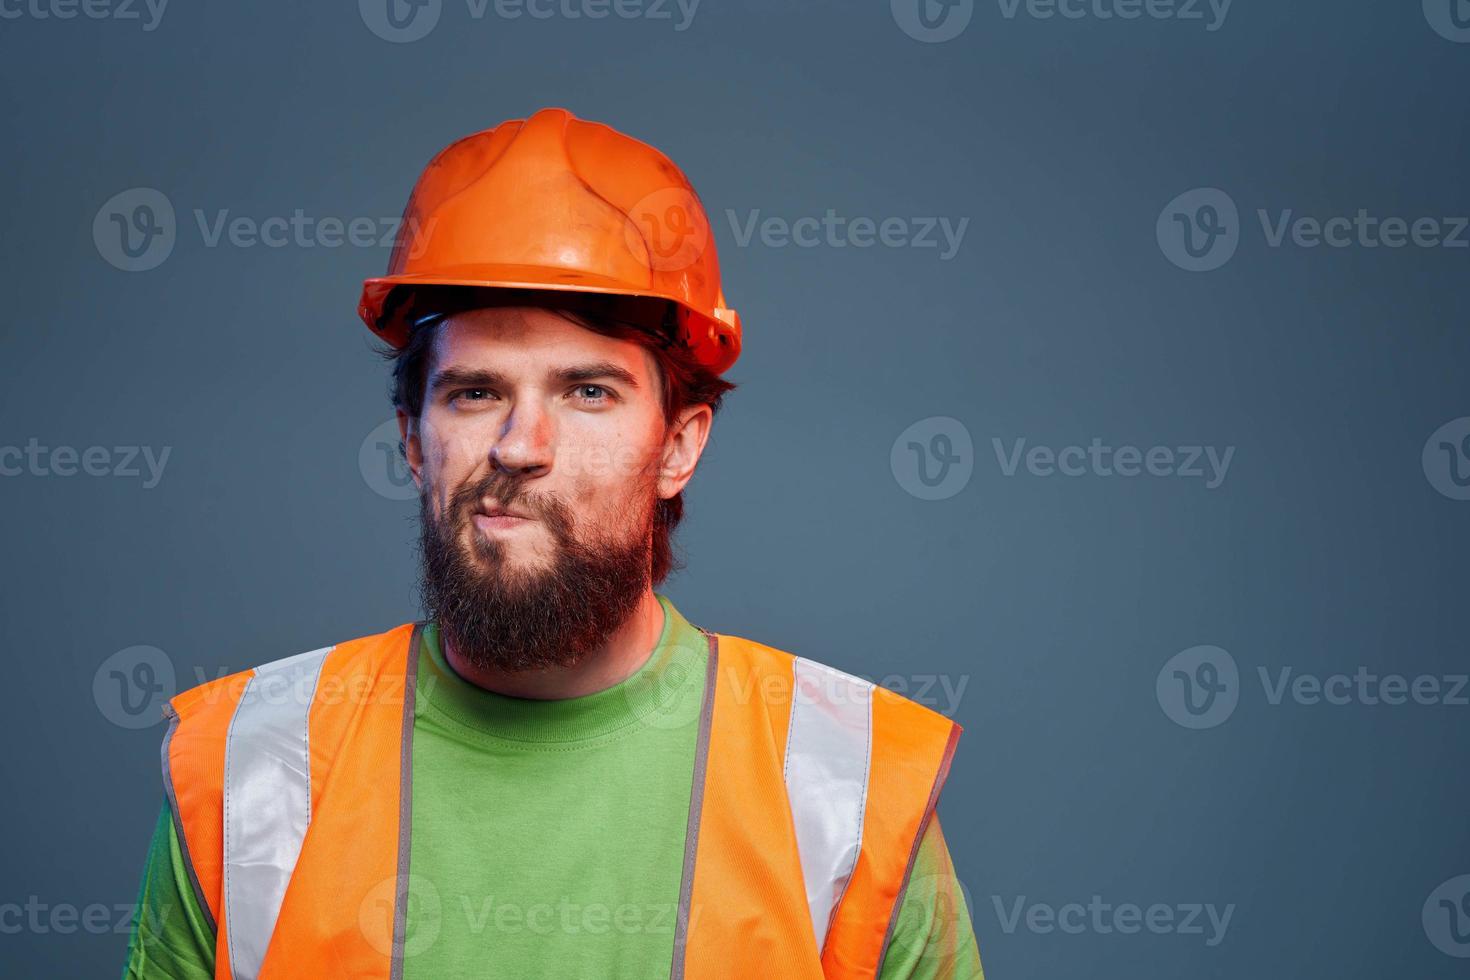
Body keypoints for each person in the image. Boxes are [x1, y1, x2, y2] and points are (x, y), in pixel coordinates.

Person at [122, 107, 984, 979]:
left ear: (679, 445)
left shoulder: (850, 787)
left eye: (588, 392)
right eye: (473, 393)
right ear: (415, 442)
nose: (521, 446)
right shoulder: (247, 768)